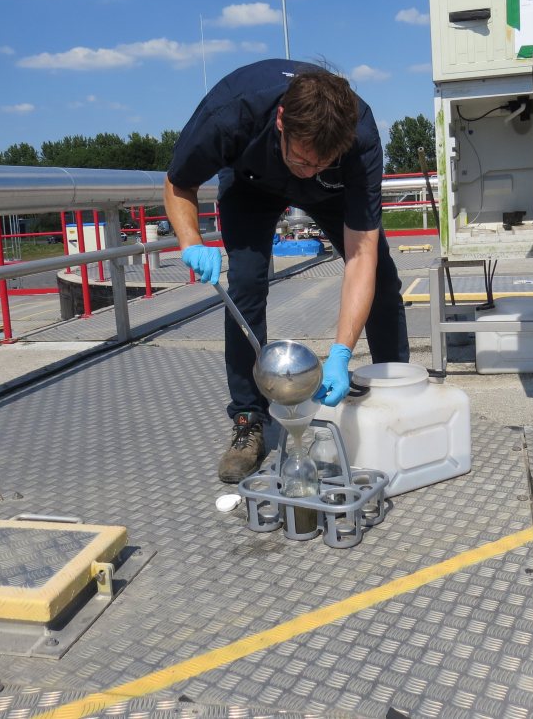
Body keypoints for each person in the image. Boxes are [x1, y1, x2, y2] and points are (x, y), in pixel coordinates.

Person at [164, 59, 409, 483]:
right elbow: (177, 182)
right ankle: (248, 420)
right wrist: (191, 243)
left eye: (321, 162)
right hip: (252, 184)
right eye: (302, 159)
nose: (308, 170)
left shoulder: (360, 137)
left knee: (383, 282)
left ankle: (396, 398)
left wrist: (341, 353)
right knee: (245, 282)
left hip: (333, 195)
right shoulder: (231, 112)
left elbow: (360, 256)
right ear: (281, 121)